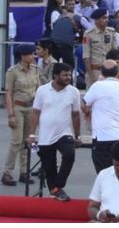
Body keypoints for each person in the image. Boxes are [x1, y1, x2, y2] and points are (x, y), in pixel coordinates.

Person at [28, 62, 82, 202]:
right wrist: (32, 135)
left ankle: (58, 186)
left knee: (69, 155)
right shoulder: (42, 90)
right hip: (46, 135)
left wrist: (77, 136)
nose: (68, 77)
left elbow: (76, 115)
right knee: (49, 166)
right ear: (56, 75)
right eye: (65, 75)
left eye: (70, 74)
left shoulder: (74, 92)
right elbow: (35, 113)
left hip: (64, 133)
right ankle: (56, 190)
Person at [83, 60, 119, 173]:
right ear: (117, 72)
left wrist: (89, 111)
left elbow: (84, 105)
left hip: (101, 137)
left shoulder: (97, 86)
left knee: (103, 174)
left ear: (102, 72)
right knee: (118, 174)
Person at [2, 43, 41, 186]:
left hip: (31, 108)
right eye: (30, 54)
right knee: (16, 141)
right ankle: (7, 172)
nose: (33, 56)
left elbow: (38, 89)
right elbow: (8, 93)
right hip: (18, 107)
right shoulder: (13, 71)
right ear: (23, 56)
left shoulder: (35, 70)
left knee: (27, 141)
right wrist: (10, 114)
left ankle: (24, 172)